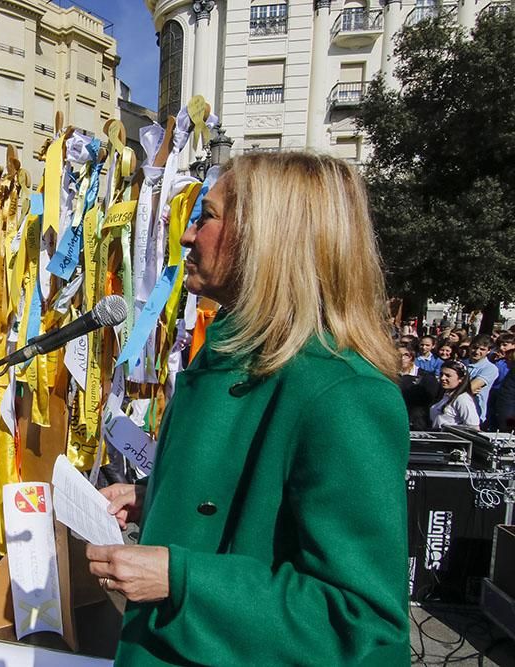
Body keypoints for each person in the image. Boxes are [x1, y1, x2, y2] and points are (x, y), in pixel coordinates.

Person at [85, 153, 409, 665]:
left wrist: (180, 579)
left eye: (206, 216)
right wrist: (163, 498)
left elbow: (362, 622)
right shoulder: (226, 359)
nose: (188, 236)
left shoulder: (345, 394)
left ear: (268, 238)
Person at [397, 344, 439, 430]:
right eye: (397, 355)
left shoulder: (426, 377)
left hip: (417, 423)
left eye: (406, 355)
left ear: (412, 357)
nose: (401, 358)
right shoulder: (389, 375)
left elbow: (430, 400)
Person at [430, 360, 480, 429]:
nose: (442, 378)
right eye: (441, 374)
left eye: (448, 375)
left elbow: (473, 427)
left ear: (460, 379)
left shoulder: (463, 398)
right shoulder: (445, 395)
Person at [465, 335, 499, 424]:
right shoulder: (460, 363)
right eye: (475, 348)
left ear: (488, 351)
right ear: (470, 347)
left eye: (482, 349)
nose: (477, 352)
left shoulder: (490, 368)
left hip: (474, 413)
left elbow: (470, 388)